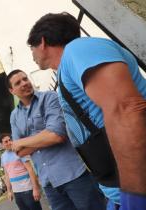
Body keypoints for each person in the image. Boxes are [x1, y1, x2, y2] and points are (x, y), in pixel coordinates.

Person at [27, 12, 146, 209]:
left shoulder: (78, 49)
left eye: (31, 48)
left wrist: (135, 199)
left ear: (42, 42)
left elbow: (127, 110)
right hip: (118, 192)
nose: (32, 55)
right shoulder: (69, 67)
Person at [7, 69, 105, 210]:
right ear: (12, 91)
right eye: (18, 82)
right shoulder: (14, 116)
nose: (24, 83)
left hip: (74, 175)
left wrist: (22, 141)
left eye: (25, 78)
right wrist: (44, 137)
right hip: (49, 184)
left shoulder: (50, 97)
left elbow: (56, 135)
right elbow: (19, 153)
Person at [0, 133, 42, 210]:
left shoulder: (19, 151)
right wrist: (9, 191)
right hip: (17, 193)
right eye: (6, 141)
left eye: (10, 140)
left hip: (28, 190)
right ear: (1, 145)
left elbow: (30, 169)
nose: (9, 142)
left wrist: (35, 189)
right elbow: (7, 175)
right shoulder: (3, 157)